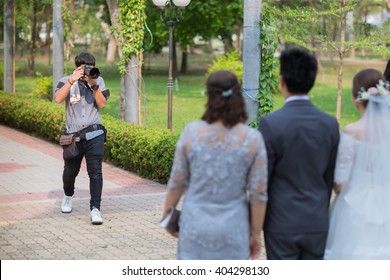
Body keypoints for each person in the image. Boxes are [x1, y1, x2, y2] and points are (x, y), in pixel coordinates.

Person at [162, 70, 268, 260]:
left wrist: (167, 217)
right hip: (234, 230)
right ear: (238, 96)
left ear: (209, 96)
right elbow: (258, 194)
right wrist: (255, 234)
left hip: (194, 227)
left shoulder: (192, 132)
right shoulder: (253, 139)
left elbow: (177, 182)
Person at [258, 47, 340, 260]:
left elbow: (262, 181)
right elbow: (329, 177)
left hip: (280, 223)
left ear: (282, 81)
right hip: (317, 221)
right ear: (312, 81)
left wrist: (254, 227)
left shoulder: (270, 124)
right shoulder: (329, 124)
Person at [324, 69, 390, 259]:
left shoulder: (352, 131)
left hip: (354, 204)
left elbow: (340, 181)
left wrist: (342, 193)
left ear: (356, 98)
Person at [54, 52, 110, 225]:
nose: (88, 70)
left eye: (90, 67)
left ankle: (95, 209)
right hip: (73, 137)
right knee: (70, 172)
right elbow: (57, 99)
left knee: (96, 172)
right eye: (84, 67)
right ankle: (68, 196)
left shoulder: (98, 80)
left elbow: (101, 104)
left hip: (95, 134)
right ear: (77, 67)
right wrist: (73, 80)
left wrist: (93, 85)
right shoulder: (66, 80)